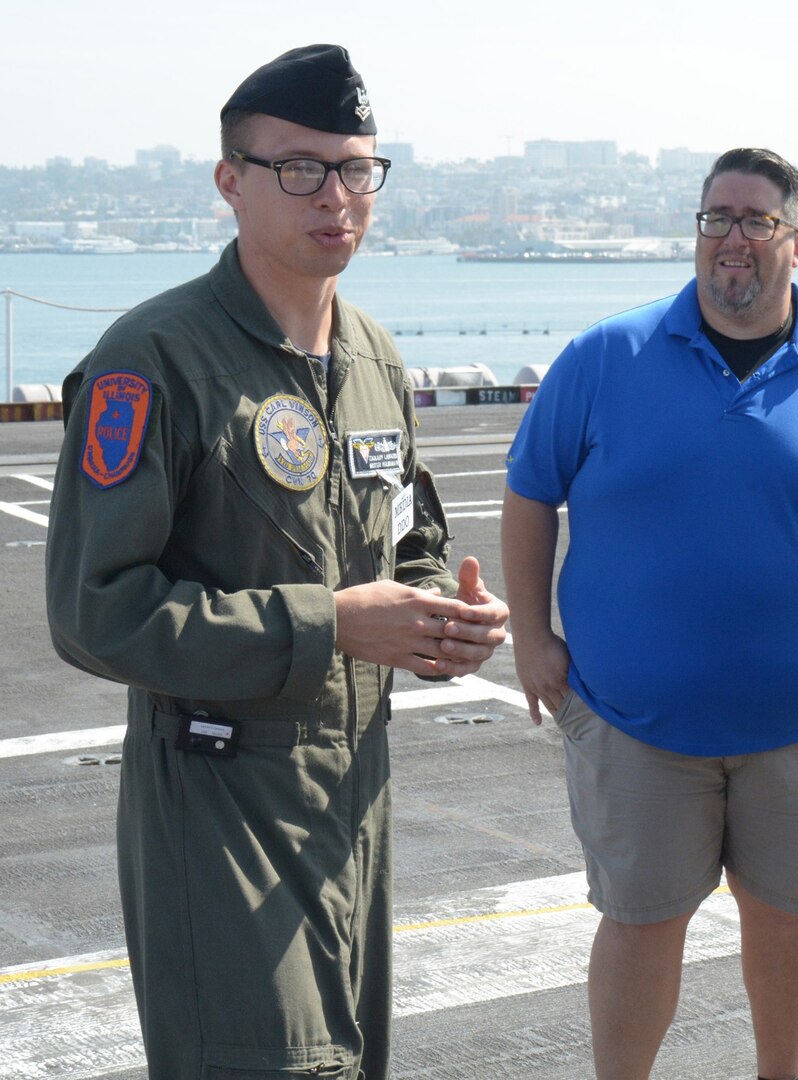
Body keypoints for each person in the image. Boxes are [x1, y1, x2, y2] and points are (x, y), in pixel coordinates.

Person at [44, 45, 509, 1079]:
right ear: (230, 182)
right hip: (218, 800)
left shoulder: (378, 359)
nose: (335, 196)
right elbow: (94, 610)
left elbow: (408, 545)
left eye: (356, 169)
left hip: (356, 796)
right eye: (299, 168)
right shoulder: (153, 361)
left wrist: (441, 619)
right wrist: (333, 625)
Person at [500, 147, 798, 1080]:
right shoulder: (603, 356)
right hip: (636, 722)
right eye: (715, 218)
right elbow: (529, 491)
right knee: (639, 922)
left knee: (788, 915)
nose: (731, 240)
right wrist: (534, 638)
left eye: (755, 220)